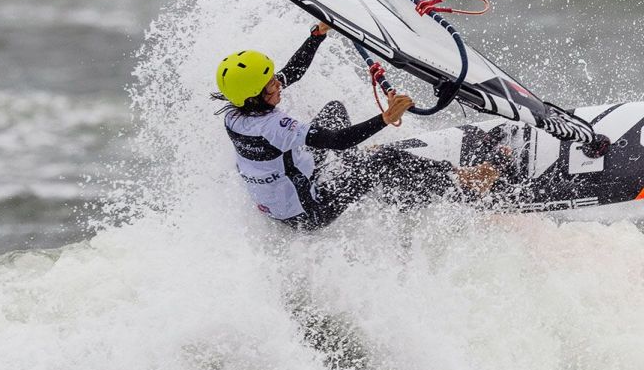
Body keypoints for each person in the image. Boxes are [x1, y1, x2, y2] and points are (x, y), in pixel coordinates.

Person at [213, 22, 500, 229]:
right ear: (254, 96)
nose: (278, 83)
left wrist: (317, 35)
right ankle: (464, 181)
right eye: (271, 84)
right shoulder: (274, 126)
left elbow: (292, 72)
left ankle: (355, 165)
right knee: (382, 160)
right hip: (308, 213)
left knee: (334, 111)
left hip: (278, 198)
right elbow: (338, 140)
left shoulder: (235, 113)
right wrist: (386, 117)